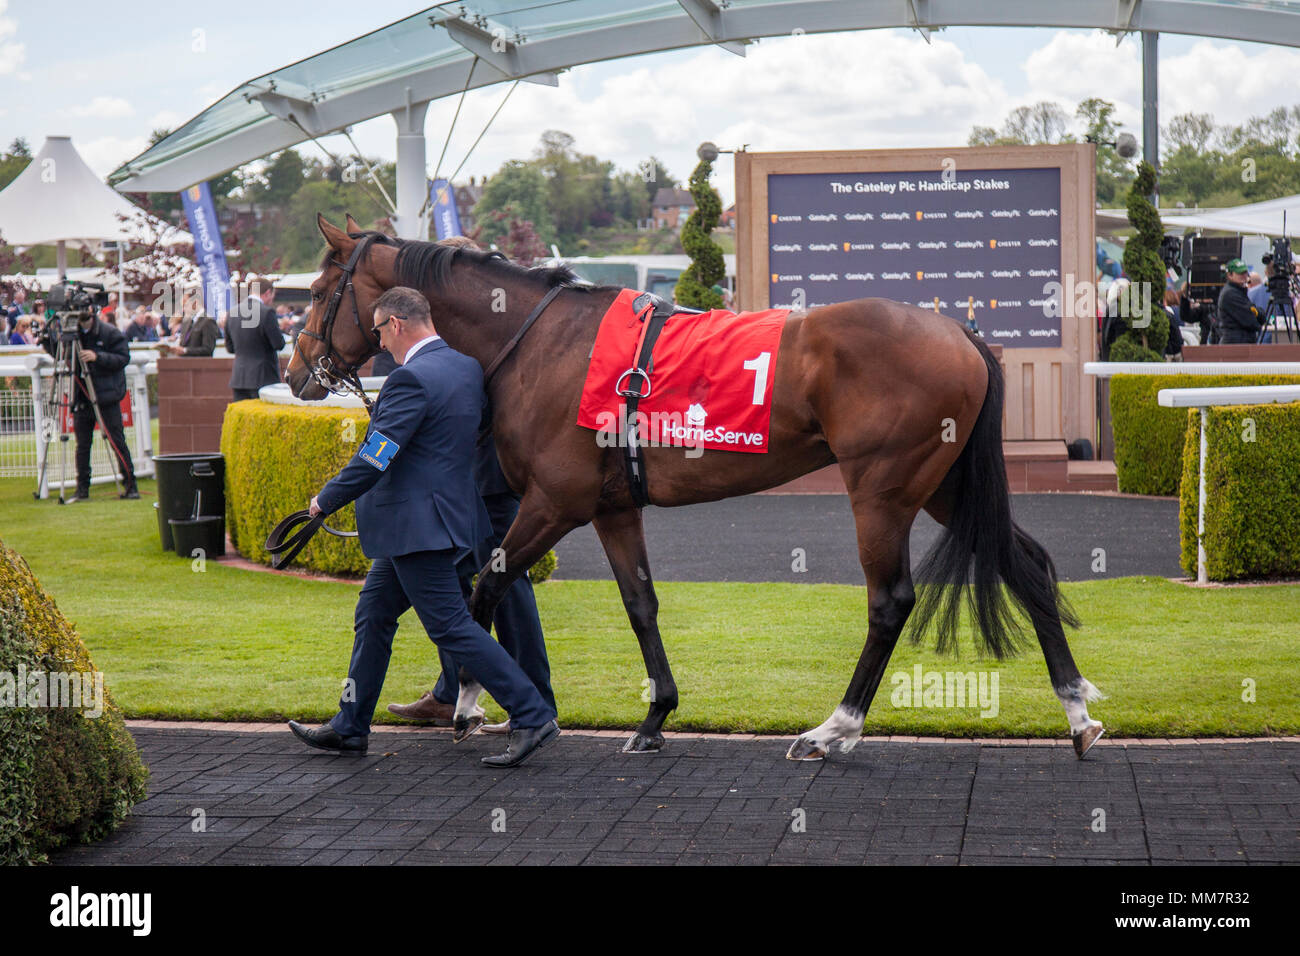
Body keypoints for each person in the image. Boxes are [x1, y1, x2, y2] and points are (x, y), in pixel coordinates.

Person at [288, 286, 559, 767]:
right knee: (374, 614)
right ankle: (351, 725)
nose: (380, 343)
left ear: (395, 323)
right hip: (439, 520)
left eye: (379, 331)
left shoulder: (409, 379)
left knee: (452, 626)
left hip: (416, 526)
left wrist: (325, 500)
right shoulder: (465, 367)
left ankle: (532, 713)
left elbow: (378, 454)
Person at [385, 239, 554, 734]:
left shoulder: (476, 328)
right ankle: (450, 692)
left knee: (504, 587)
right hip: (473, 480)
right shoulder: (483, 323)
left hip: (486, 480)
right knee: (456, 586)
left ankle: (534, 701)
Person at [44, 307, 138, 500]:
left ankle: (131, 486)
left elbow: (123, 358)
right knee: (82, 445)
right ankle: (82, 489)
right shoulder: (73, 334)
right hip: (82, 395)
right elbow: (62, 354)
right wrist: (47, 340)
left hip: (106, 396)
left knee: (116, 440)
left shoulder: (109, 332)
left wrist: (98, 357)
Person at [225, 277, 285, 401]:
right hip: (264, 377)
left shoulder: (232, 312)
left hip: (239, 378)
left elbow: (230, 348)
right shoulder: (267, 312)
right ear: (268, 292)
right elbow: (278, 344)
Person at [1216, 258, 1263, 345]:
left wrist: (1256, 313)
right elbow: (1250, 321)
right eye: (1239, 273)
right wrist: (1256, 314)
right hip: (1234, 345)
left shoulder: (1239, 291)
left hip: (1242, 343)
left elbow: (1259, 315)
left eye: (1245, 272)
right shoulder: (1230, 294)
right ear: (1230, 275)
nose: (1243, 275)